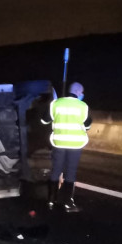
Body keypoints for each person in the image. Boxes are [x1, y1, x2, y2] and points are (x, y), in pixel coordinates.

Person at [41, 82, 91, 212]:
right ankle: (67, 203)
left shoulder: (55, 104)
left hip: (58, 143)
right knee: (70, 172)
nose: (82, 94)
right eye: (82, 92)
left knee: (56, 170)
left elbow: (44, 120)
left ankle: (51, 201)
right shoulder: (83, 106)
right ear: (78, 92)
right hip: (75, 144)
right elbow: (87, 125)